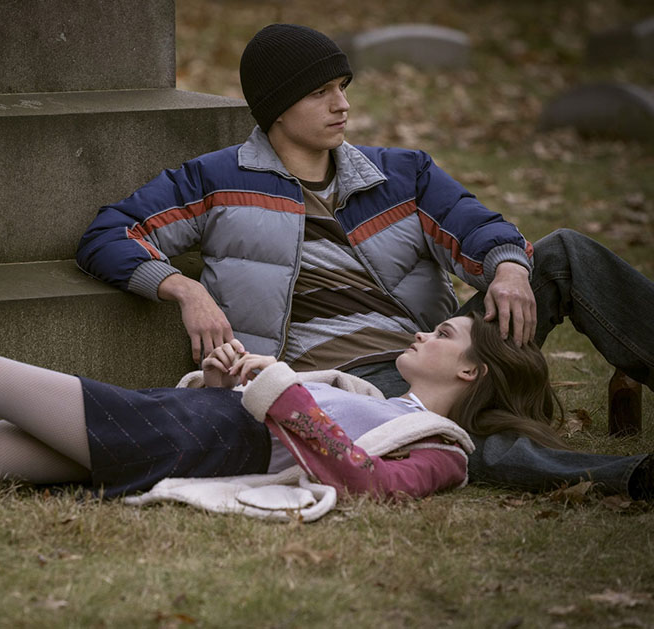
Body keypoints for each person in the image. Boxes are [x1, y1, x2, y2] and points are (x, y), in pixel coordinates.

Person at [76, 23, 654, 499]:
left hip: (435, 349)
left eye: (342, 86)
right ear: (277, 108)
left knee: (565, 253)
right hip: (348, 385)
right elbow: (109, 234)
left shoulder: (401, 174)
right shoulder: (217, 180)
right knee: (446, 437)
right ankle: (633, 477)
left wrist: (508, 268)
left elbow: (479, 227)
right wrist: (184, 288)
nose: (343, 105)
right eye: (320, 93)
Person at [0, 314, 558, 529]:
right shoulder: (381, 395)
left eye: (446, 333)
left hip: (192, 440)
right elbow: (289, 413)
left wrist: (277, 390)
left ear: (470, 371)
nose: (426, 331)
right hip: (193, 418)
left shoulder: (442, 450)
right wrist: (227, 374)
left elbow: (365, 485)